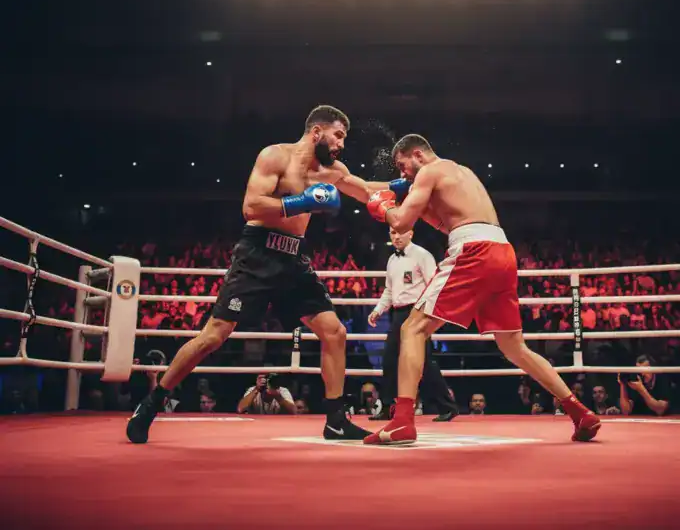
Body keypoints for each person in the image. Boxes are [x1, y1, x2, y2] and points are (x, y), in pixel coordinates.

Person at [126, 104, 401, 444]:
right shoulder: (275, 156)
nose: (341, 144)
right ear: (317, 132)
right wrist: (302, 202)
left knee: (334, 332)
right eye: (338, 135)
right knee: (214, 336)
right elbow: (251, 206)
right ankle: (151, 403)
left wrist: (409, 184)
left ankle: (335, 420)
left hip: (294, 258)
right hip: (258, 252)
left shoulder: (332, 171)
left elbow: (367, 189)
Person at [363, 134, 601, 445]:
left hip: (474, 250)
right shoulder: (462, 173)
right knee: (513, 346)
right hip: (502, 251)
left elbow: (402, 223)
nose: (402, 172)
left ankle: (402, 421)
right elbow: (444, 222)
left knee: (412, 329)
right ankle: (580, 412)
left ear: (417, 154)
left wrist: (384, 210)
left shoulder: (429, 171)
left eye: (402, 164)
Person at [368, 225, 458, 421]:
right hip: (397, 313)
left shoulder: (422, 255)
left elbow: (434, 284)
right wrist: (378, 310)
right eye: (393, 233)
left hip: (417, 312)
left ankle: (447, 406)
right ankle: (388, 406)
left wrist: (427, 314)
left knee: (423, 361)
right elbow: (389, 290)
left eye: (400, 232)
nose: (396, 236)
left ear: (411, 233)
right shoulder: (392, 260)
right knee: (390, 359)